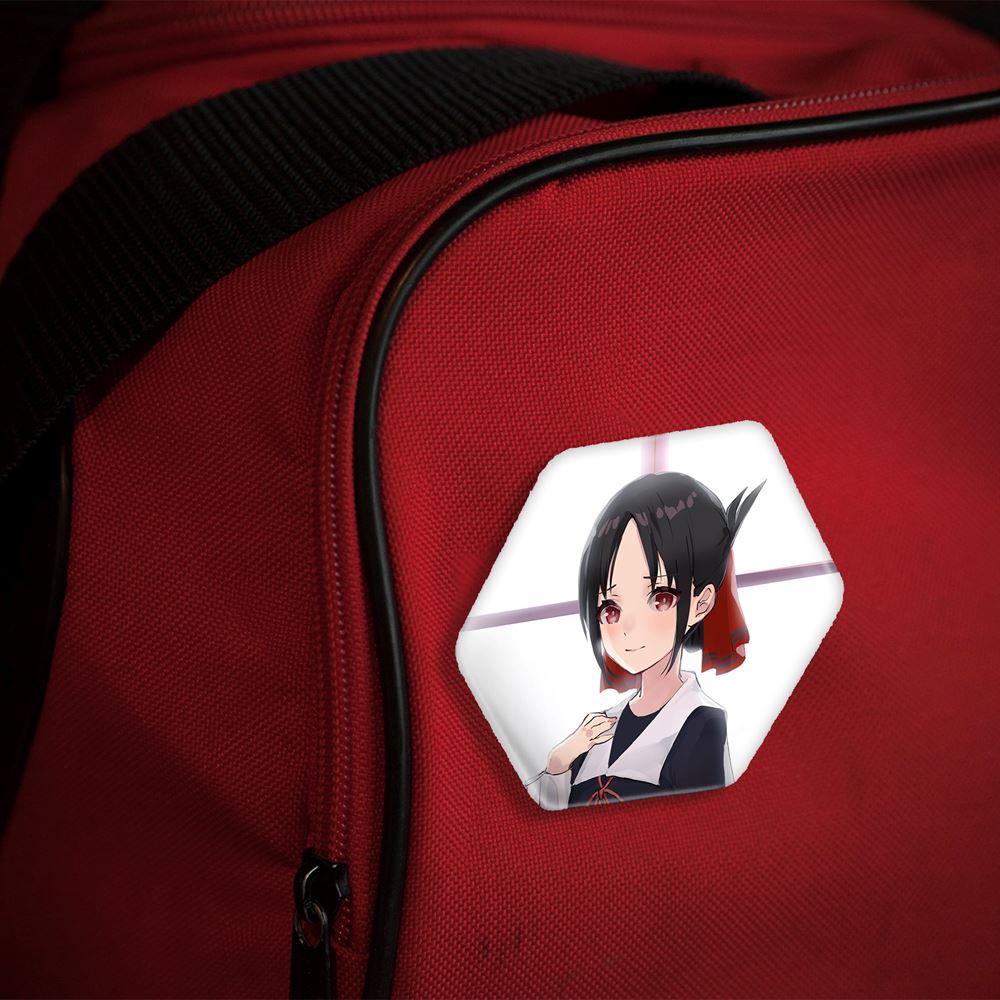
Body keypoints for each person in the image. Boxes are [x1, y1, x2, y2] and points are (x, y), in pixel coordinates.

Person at [527, 471, 763, 810]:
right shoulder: (598, 726)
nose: (629, 627)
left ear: (701, 603)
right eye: (610, 608)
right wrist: (558, 762)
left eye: (660, 598)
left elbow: (702, 825)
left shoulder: (701, 724)